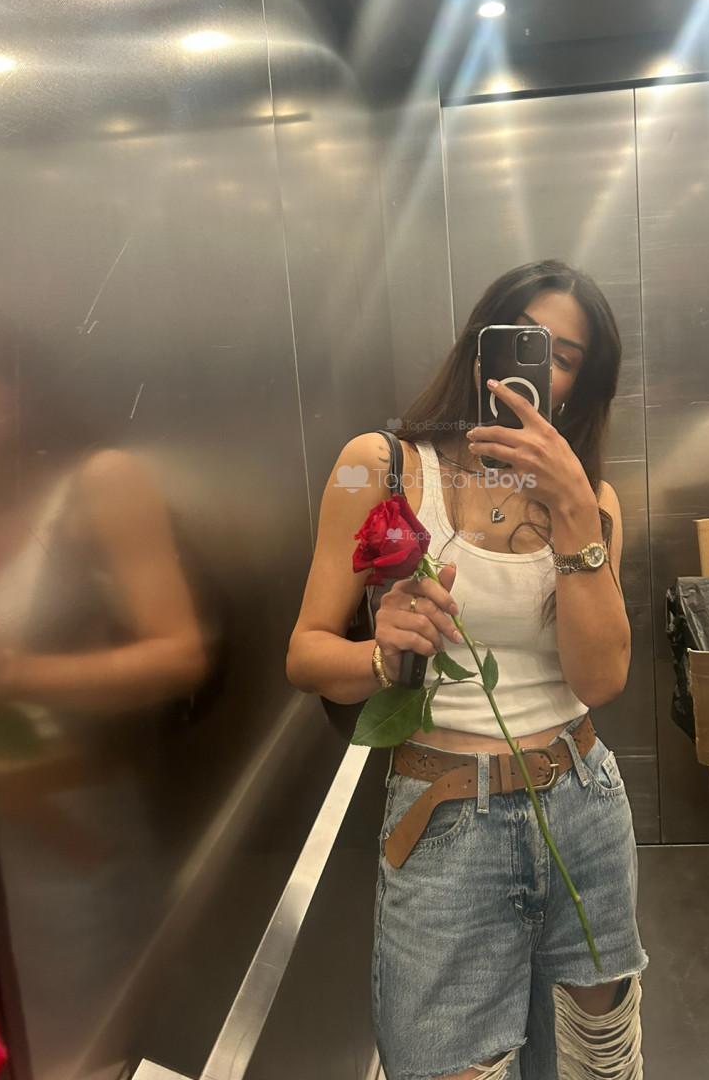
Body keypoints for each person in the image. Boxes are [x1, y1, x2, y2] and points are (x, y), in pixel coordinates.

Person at [287, 260, 647, 1080]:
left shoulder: (593, 500)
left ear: (579, 385)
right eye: (525, 339)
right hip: (446, 820)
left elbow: (600, 681)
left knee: (594, 1063)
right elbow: (306, 652)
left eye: (564, 357)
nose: (537, 366)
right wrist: (383, 654)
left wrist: (575, 514)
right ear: (480, 346)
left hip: (583, 806)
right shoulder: (381, 466)